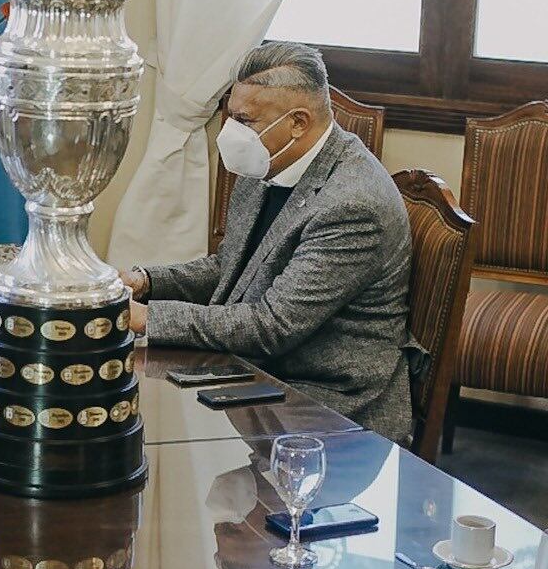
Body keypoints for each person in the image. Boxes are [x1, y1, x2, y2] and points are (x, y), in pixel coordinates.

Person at [123, 42, 415, 440]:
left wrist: (144, 318)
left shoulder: (351, 204)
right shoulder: (268, 161)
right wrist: (144, 282)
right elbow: (229, 267)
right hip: (255, 372)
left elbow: (271, 326)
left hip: (326, 403)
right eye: (232, 116)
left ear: (297, 122)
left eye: (245, 120)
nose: (232, 132)